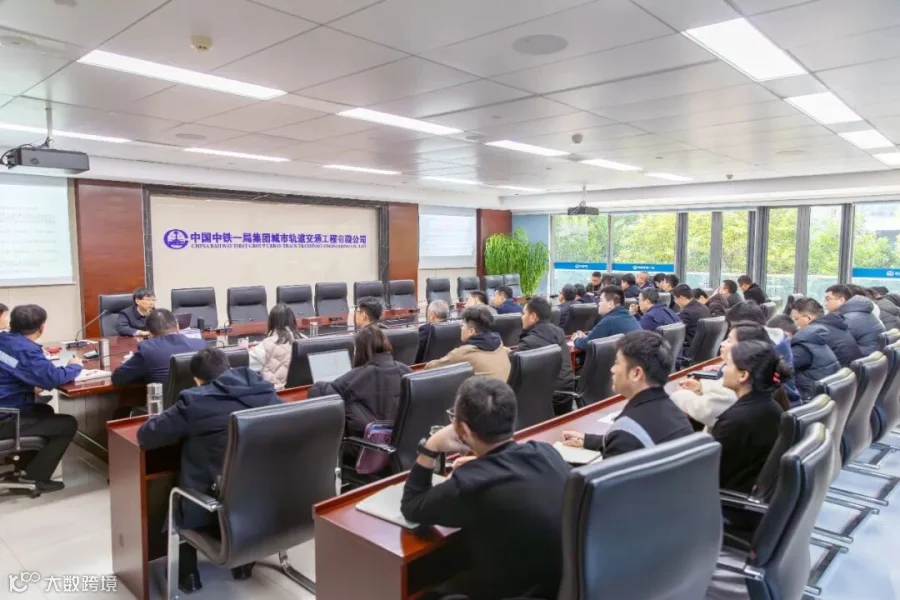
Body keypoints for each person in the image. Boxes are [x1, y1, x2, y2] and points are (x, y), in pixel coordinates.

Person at [400, 377, 569, 600]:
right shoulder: (547, 453)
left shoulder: (471, 484)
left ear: (464, 430)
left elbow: (411, 505)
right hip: (559, 585)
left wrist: (431, 446)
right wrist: (481, 464)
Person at [137, 347, 283, 592]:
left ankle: (187, 575)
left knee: (177, 492)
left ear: (197, 379)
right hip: (259, 495)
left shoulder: (195, 401)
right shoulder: (263, 389)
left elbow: (147, 436)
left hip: (211, 500)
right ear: (228, 368)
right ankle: (243, 564)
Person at [561, 331, 693, 454]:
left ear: (636, 373)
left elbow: (625, 443)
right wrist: (588, 441)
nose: (612, 369)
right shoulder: (676, 413)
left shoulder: (627, 431)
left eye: (617, 363)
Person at [0, 305, 80, 493]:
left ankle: (25, 468)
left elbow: (11, 365)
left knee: (45, 411)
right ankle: (34, 479)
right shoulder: (24, 349)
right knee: (67, 424)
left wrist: (28, 381)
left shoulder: (4, 340)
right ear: (42, 327)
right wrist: (75, 366)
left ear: (12, 324)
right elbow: (53, 378)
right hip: (4, 417)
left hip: (7, 405)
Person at [309, 325, 412, 439]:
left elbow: (318, 390)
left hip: (366, 445)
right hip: (403, 441)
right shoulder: (406, 372)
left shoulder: (356, 377)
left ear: (359, 350)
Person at [714, 340, 790, 493]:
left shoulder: (735, 421)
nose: (723, 370)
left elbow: (711, 474)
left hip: (728, 500)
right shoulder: (774, 406)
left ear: (743, 375)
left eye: (727, 364)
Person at [670, 324, 771, 429]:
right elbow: (721, 389)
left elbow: (705, 409)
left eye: (729, 341)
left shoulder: (737, 390)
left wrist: (680, 394)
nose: (722, 343)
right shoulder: (757, 381)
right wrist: (700, 387)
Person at [111, 309, 208, 387]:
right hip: (197, 403)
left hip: (164, 405)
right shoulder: (200, 345)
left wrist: (129, 362)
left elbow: (117, 379)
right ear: (177, 326)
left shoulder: (148, 349)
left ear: (150, 333)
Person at [728, 301, 800, 406]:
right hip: (789, 401)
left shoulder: (757, 348)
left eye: (732, 328)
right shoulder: (779, 337)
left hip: (776, 406)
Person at [512, 297, 576, 412]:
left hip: (548, 399)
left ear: (533, 317)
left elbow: (512, 363)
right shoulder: (559, 332)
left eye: (524, 314)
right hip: (567, 395)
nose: (522, 317)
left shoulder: (530, 341)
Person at [425, 305, 510, 381]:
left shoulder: (464, 352)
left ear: (471, 331)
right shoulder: (500, 344)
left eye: (462, 325)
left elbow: (430, 368)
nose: (461, 328)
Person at [783, 312, 840, 401]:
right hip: (825, 398)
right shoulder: (815, 342)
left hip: (809, 399)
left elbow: (778, 371)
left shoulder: (800, 350)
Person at [791, 297, 862, 367]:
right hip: (848, 372)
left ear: (808, 318)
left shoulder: (816, 335)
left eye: (796, 319)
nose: (795, 323)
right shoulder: (834, 326)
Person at [248, 304, 304, 389]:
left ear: (271, 321)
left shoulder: (265, 345)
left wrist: (243, 350)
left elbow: (245, 364)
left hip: (275, 392)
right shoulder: (304, 340)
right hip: (301, 390)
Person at [571, 286, 641, 351]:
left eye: (601, 300)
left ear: (610, 303)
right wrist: (587, 336)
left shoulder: (609, 320)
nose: (598, 303)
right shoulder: (630, 316)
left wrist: (576, 339)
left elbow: (587, 344)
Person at [825, 284, 884, 355]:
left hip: (859, 358)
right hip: (869, 357)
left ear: (841, 300)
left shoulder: (848, 319)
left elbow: (829, 342)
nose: (825, 304)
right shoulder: (863, 313)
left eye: (828, 299)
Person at [674, 284, 711, 348]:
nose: (675, 302)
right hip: (703, 348)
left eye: (675, 299)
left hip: (688, 348)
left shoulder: (686, 313)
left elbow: (675, 331)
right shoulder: (704, 307)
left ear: (682, 297)